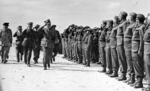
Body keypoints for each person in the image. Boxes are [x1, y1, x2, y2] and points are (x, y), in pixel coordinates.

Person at [131, 14, 145, 88]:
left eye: (136, 19)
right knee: (135, 65)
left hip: (137, 49)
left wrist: (140, 50)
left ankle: (140, 82)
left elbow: (142, 40)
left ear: (138, 19)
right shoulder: (138, 27)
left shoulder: (142, 27)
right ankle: (137, 80)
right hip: (134, 48)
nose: (135, 20)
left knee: (138, 65)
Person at [124, 12, 137, 84]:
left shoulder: (134, 25)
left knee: (131, 61)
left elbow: (134, 37)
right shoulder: (130, 25)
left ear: (132, 17)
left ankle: (132, 78)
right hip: (127, 46)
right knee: (128, 61)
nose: (129, 17)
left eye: (130, 16)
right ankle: (130, 76)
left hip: (130, 46)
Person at [116, 11, 128, 81]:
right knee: (120, 58)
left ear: (122, 16)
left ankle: (123, 74)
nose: (119, 16)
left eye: (119, 15)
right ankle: (122, 73)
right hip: (119, 43)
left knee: (123, 59)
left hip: (122, 43)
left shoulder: (125, 23)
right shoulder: (121, 23)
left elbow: (125, 34)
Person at [143, 13, 150, 91]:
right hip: (146, 49)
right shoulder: (147, 28)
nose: (147, 20)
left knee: (148, 67)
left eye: (148, 19)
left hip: (148, 49)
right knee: (147, 67)